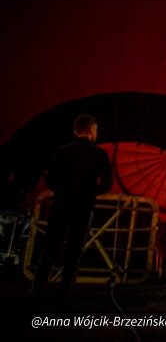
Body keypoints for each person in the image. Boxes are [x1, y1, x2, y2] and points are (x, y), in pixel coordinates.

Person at [30, 114, 113, 308]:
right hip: (83, 207)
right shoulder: (100, 154)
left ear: (76, 131)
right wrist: (91, 191)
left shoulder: (61, 151)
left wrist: (63, 189)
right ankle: (64, 297)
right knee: (74, 253)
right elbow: (107, 183)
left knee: (50, 250)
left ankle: (36, 293)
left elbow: (49, 179)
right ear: (92, 130)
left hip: (61, 205)